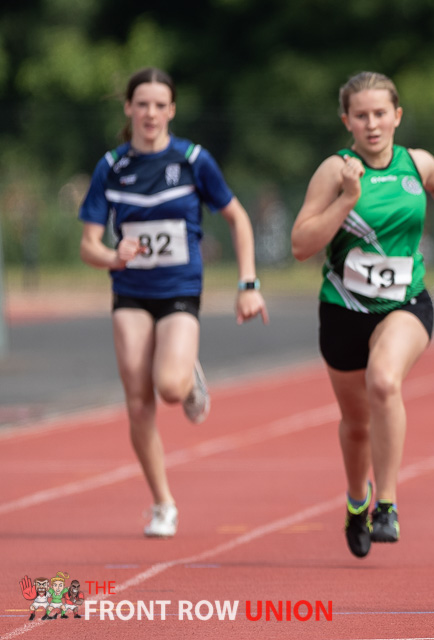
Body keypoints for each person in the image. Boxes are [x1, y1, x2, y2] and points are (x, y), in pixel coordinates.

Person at [78, 67, 268, 539]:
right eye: (142, 104)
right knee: (138, 402)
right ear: (129, 108)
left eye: (160, 105)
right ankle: (163, 503)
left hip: (180, 289)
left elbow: (238, 218)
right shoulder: (112, 166)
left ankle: (185, 376)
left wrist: (248, 284)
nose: (150, 113)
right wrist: (112, 256)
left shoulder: (193, 160)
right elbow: (89, 244)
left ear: (172, 111)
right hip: (130, 292)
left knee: (166, 386)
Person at [290, 71, 434, 559]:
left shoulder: (416, 163)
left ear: (396, 116)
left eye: (380, 114)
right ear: (346, 120)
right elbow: (301, 245)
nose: (372, 124)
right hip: (343, 311)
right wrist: (347, 199)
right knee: (355, 424)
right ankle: (357, 501)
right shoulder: (335, 171)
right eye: (361, 116)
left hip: (406, 302)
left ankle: (386, 504)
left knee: (384, 382)